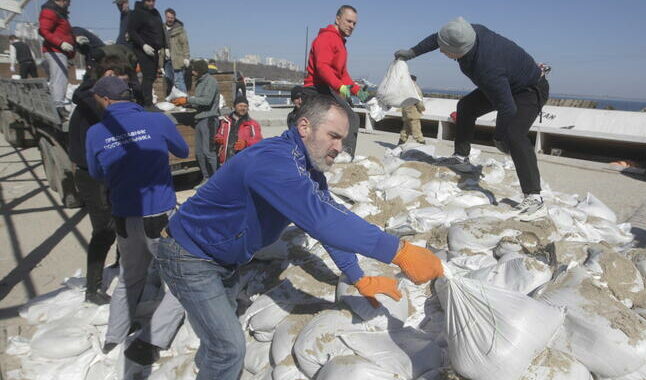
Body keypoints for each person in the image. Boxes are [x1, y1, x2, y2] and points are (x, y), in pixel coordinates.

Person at [155, 94, 444, 379]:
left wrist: (357, 276)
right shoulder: (274, 162)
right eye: (333, 136)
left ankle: (208, 367)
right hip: (190, 255)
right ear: (304, 127)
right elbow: (322, 221)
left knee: (222, 328)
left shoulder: (305, 168)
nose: (339, 148)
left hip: (220, 255)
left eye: (342, 139)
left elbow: (327, 216)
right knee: (229, 348)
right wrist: (399, 251)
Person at [395, 17, 550, 220]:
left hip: (528, 90)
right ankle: (462, 157)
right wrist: (412, 52)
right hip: (506, 84)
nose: (441, 51)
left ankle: (534, 198)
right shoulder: (467, 32)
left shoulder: (488, 67)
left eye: (445, 50)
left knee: (514, 134)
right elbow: (439, 39)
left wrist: (500, 137)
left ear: (459, 51)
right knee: (466, 107)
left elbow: (508, 107)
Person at [85, 76, 188, 364]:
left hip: (123, 216)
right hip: (158, 215)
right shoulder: (158, 121)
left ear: (105, 100)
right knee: (183, 280)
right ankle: (152, 340)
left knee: (129, 278)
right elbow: (182, 151)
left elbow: (95, 172)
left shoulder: (95, 132)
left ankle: (114, 337)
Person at [69, 56, 135, 306]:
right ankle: (93, 288)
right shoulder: (93, 100)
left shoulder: (101, 96)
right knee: (104, 229)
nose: (123, 92)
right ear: (108, 75)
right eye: (122, 84)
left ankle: (121, 264)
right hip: (92, 173)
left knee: (122, 219)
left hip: (111, 170)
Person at [302, 4, 369, 158]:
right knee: (349, 118)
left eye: (354, 23)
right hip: (316, 88)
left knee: (349, 118)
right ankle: (344, 157)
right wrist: (340, 87)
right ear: (338, 19)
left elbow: (343, 74)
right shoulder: (326, 37)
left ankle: (336, 155)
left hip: (327, 88)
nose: (352, 26)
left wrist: (357, 91)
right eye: (348, 21)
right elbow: (322, 67)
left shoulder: (341, 43)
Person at [172, 59, 220, 188]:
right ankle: (206, 177)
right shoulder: (199, 81)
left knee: (209, 151)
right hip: (199, 119)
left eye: (194, 70)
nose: (192, 72)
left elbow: (206, 100)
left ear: (200, 70)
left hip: (209, 119)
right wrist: (183, 102)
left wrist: (188, 99)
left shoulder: (210, 81)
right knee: (199, 152)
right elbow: (198, 101)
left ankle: (216, 180)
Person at [38, 0, 75, 116]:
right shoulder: (50, 11)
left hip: (58, 50)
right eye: (68, 1)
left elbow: (63, 31)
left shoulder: (57, 12)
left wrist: (74, 39)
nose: (69, 4)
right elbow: (43, 30)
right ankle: (58, 106)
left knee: (58, 77)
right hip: (55, 50)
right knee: (60, 78)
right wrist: (60, 43)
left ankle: (57, 104)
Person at [127, 0, 166, 107]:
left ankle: (144, 102)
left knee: (152, 76)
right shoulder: (137, 13)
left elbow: (161, 30)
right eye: (149, 1)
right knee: (148, 76)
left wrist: (165, 46)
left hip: (155, 50)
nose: (151, 3)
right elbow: (132, 31)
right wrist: (143, 45)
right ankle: (147, 104)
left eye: (153, 1)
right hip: (143, 50)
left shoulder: (155, 13)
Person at [214, 96, 262, 164]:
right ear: (234, 106)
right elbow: (220, 134)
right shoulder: (225, 121)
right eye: (240, 106)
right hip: (226, 160)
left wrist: (246, 143)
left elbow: (258, 141)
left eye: (245, 106)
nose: (243, 108)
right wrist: (219, 138)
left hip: (243, 160)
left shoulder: (252, 124)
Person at [163, 8, 190, 94]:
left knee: (179, 80)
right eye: (168, 17)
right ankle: (174, 100)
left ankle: (184, 99)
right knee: (169, 80)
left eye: (171, 18)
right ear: (165, 17)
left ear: (174, 18)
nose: (170, 19)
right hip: (166, 58)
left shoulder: (179, 29)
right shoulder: (162, 28)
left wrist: (186, 57)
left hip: (177, 58)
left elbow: (185, 43)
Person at [398, 75, 426, 145]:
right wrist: (422, 109)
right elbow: (419, 102)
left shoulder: (406, 88)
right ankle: (423, 148)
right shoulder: (415, 89)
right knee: (416, 132)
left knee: (406, 132)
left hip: (407, 113)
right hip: (413, 114)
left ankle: (399, 147)